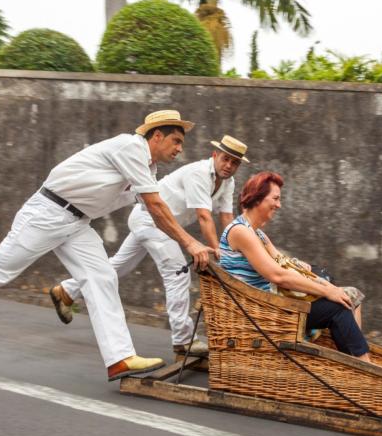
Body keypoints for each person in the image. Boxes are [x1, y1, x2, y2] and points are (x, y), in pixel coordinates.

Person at [0, 110, 216, 381]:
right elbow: (156, 207)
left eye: (182, 144)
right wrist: (190, 242)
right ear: (155, 136)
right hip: (47, 213)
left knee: (102, 277)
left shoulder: (147, 169)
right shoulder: (131, 148)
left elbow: (151, 205)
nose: (179, 150)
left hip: (76, 223)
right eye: (176, 141)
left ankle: (120, 357)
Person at [48, 135, 249, 356]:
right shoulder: (199, 173)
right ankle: (183, 341)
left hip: (157, 224)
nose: (229, 166)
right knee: (178, 274)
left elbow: (227, 216)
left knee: (118, 266)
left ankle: (66, 291)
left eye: (234, 162)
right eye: (225, 159)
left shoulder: (228, 182)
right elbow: (204, 216)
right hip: (150, 221)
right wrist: (218, 251)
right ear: (215, 155)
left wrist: (231, 250)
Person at [219, 171, 370, 362]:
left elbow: (288, 266)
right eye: (275, 198)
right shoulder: (240, 231)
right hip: (259, 309)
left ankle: (354, 364)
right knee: (338, 307)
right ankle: (364, 368)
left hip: (269, 301)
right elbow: (278, 276)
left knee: (349, 296)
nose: (279, 205)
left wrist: (329, 287)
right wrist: (326, 292)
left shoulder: (257, 234)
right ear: (257, 198)